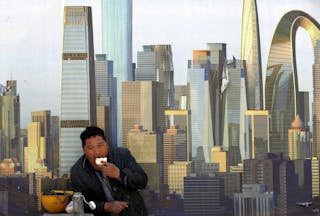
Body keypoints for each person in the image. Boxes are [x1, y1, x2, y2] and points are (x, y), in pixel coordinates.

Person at [70, 126, 148, 216]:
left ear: (107, 144)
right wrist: (106, 206)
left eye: (100, 145)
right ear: (84, 150)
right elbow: (80, 203)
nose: (97, 152)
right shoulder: (78, 171)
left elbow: (142, 181)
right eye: (90, 148)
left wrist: (119, 175)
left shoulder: (122, 155)